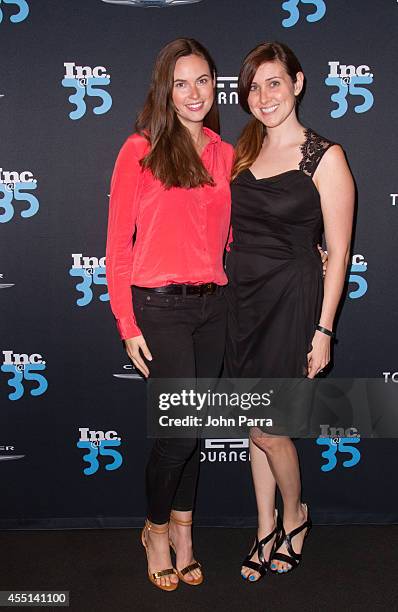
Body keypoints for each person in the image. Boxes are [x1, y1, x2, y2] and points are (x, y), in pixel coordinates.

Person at [105, 38, 234, 591]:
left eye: (203, 79)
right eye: (181, 82)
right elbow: (117, 245)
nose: (194, 92)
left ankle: (184, 531)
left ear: (215, 84)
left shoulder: (225, 153)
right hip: (159, 308)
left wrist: (310, 251)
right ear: (165, 89)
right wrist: (126, 323)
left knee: (195, 429)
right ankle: (156, 530)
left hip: (215, 308)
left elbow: (239, 236)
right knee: (179, 433)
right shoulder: (140, 148)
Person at [224, 41, 354, 581]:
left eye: (273, 82)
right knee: (255, 426)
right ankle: (264, 526)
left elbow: (340, 250)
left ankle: (295, 516)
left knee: (271, 428)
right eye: (253, 86)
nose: (262, 95)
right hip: (242, 300)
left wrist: (324, 330)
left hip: (292, 300)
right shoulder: (241, 152)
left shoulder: (326, 156)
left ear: (298, 84)